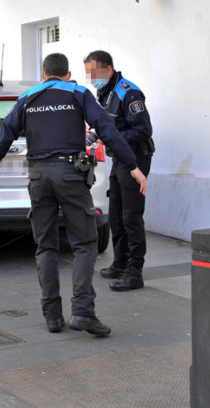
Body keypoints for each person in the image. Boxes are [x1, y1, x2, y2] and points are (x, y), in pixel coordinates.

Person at [0, 53, 147, 336]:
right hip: (69, 175)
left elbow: (4, 136)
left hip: (38, 177)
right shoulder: (78, 93)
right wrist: (133, 166)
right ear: (67, 74)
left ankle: (52, 316)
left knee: (46, 247)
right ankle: (83, 312)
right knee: (85, 243)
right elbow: (108, 130)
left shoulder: (27, 97)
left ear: (43, 74)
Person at [84, 51, 154, 292]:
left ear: (109, 70)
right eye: (89, 74)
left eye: (94, 73)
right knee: (115, 214)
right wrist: (93, 136)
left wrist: (110, 138)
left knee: (131, 216)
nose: (91, 78)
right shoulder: (105, 93)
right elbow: (106, 124)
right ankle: (120, 263)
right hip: (119, 160)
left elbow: (143, 131)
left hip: (136, 159)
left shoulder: (128, 92)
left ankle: (135, 272)